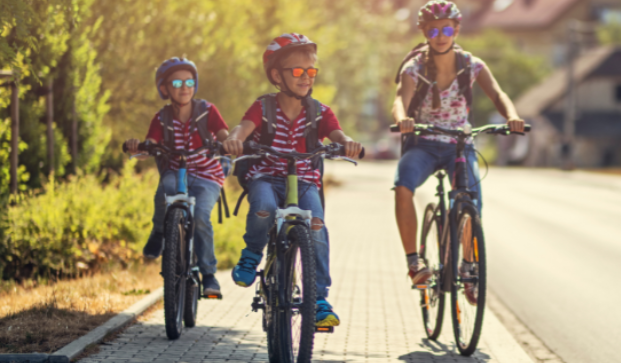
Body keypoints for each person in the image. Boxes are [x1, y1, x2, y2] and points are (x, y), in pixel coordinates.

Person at [223, 33, 363, 328]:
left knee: (316, 226)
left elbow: (338, 134)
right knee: (262, 207)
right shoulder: (263, 107)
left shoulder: (319, 112)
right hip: (266, 176)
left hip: (305, 181)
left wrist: (348, 143)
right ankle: (251, 254)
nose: (305, 77)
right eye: (297, 71)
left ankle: (319, 298)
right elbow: (243, 128)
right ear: (277, 74)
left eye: (311, 71)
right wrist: (235, 140)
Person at [393, 1, 526, 290]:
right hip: (424, 143)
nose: (440, 35)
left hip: (460, 146)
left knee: (470, 200)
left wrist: (512, 116)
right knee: (403, 186)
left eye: (447, 29)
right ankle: (414, 262)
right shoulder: (414, 67)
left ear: (456, 30)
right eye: (433, 30)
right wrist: (403, 119)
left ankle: (468, 266)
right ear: (425, 33)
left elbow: (498, 94)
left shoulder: (472, 65)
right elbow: (399, 100)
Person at [124, 57, 229, 297]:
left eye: (189, 81)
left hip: (207, 175)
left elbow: (223, 133)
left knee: (201, 217)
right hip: (175, 171)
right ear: (165, 89)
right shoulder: (162, 118)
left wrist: (227, 143)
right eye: (177, 82)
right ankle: (160, 231)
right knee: (164, 193)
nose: (184, 87)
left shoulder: (207, 111)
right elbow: (150, 143)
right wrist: (137, 147)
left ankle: (209, 274)